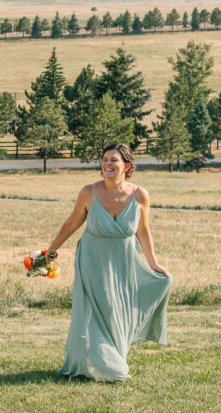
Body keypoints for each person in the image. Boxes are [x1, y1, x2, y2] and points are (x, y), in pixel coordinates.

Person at [46, 143, 171, 382]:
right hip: (91, 261)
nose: (107, 164)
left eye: (113, 160)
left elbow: (143, 231)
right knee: (93, 312)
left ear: (127, 166)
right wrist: (51, 250)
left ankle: (112, 358)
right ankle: (99, 363)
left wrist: (153, 263)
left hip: (124, 262)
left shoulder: (140, 195)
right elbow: (72, 223)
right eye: (104, 159)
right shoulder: (88, 192)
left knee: (117, 311)